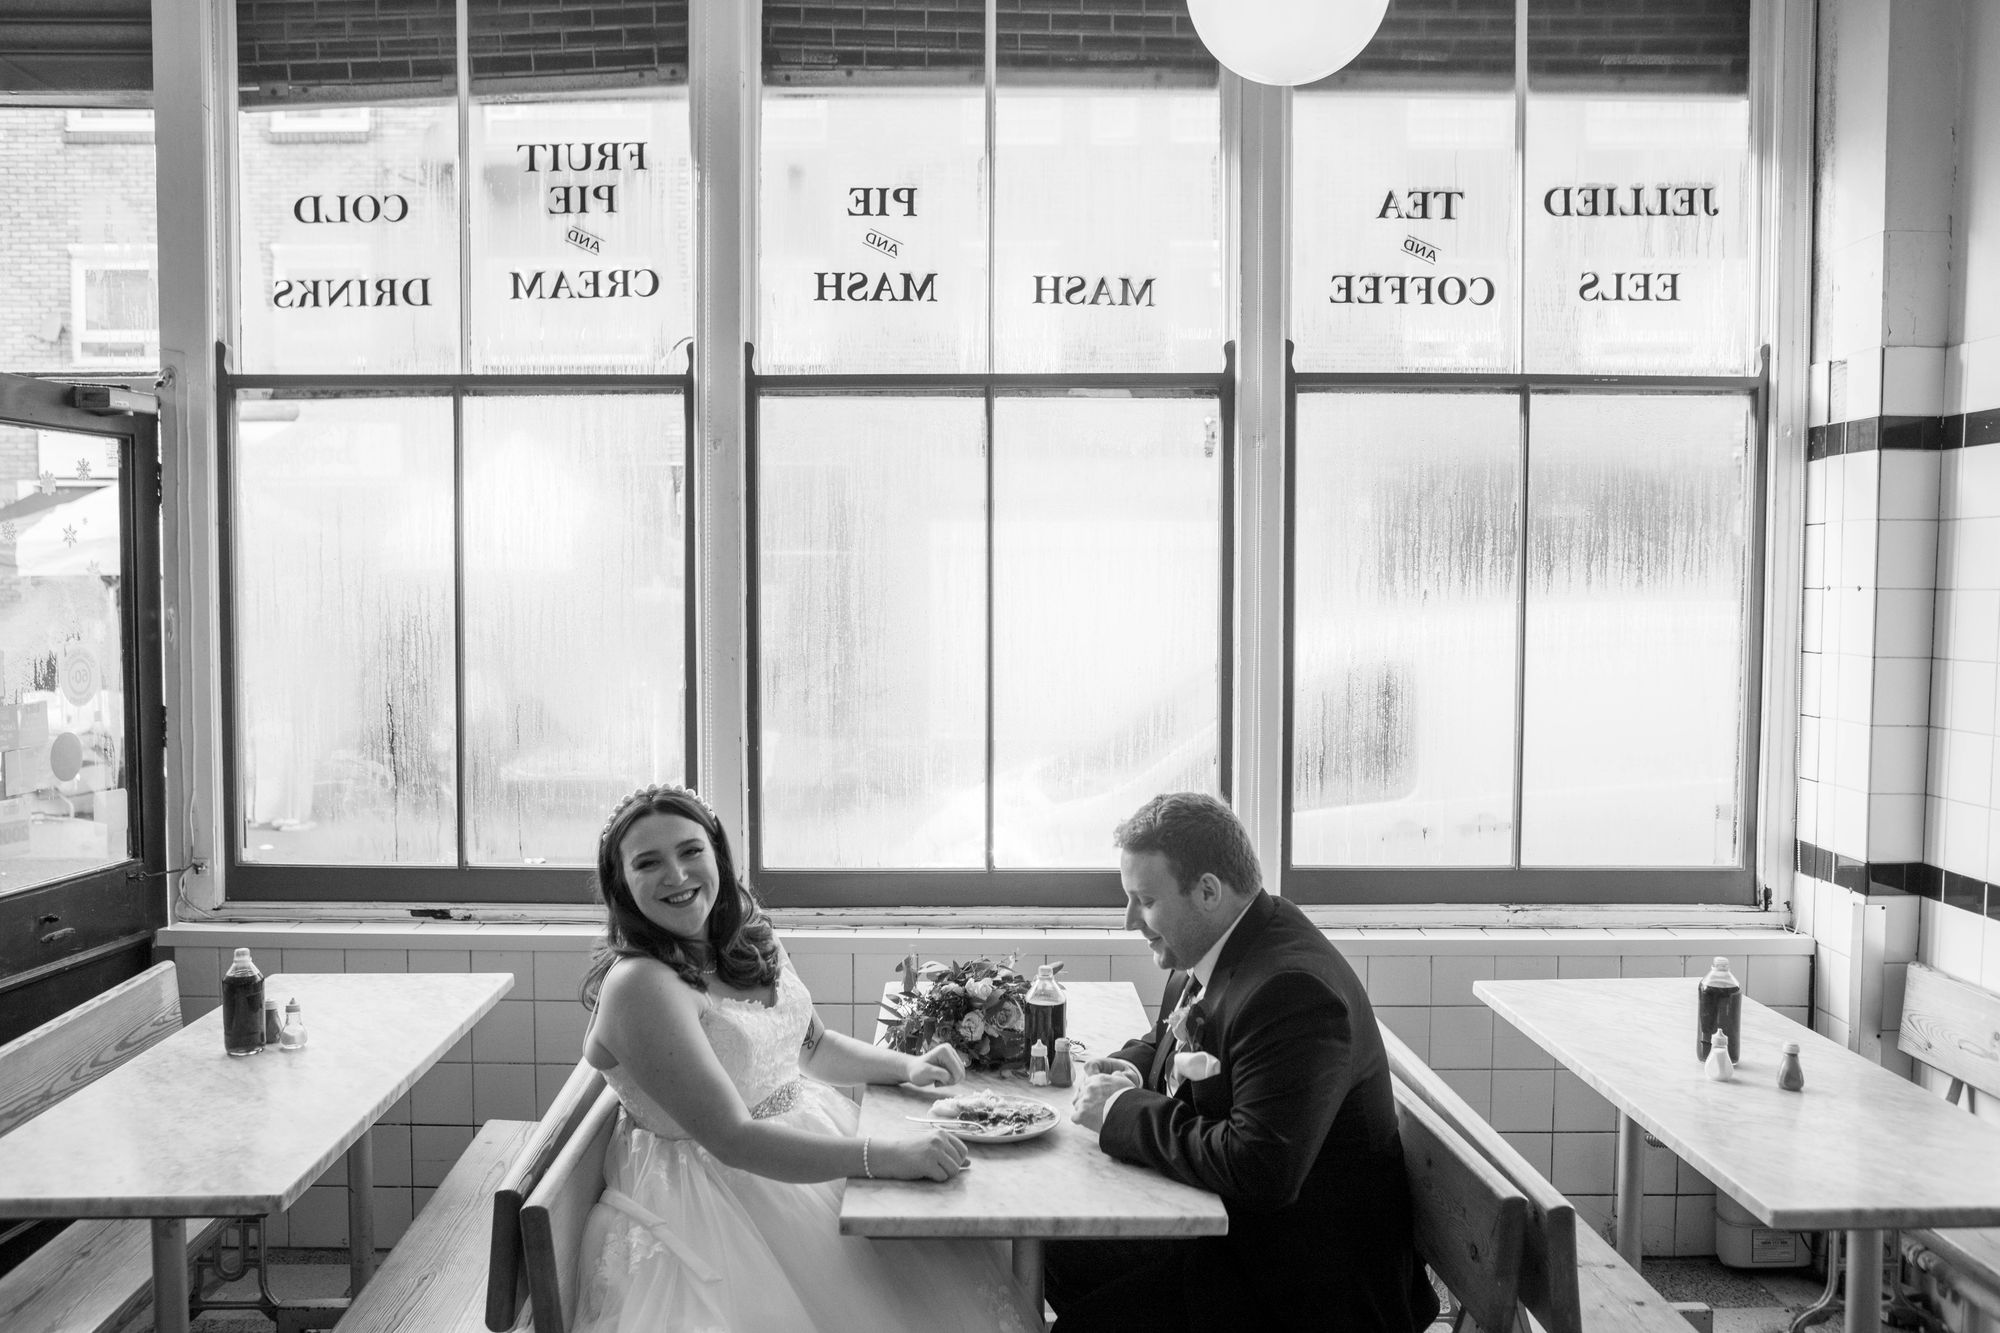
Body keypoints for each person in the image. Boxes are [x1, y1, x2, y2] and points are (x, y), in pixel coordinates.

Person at [570, 783, 1041, 1333]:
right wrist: (885, 1156)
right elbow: (733, 1140)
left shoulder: (745, 940)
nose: (676, 875)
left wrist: (908, 1066)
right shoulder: (641, 986)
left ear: (717, 854)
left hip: (798, 1144)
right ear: (621, 885)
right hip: (717, 1195)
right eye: (648, 863)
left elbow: (813, 1048)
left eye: (690, 851)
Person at [1048, 791, 1439, 1333]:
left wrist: (1120, 1111)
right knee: (1055, 1248)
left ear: (1208, 891)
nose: (1129, 919)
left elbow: (1260, 1168)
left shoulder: (1292, 990)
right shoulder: (1230, 938)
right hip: (1243, 1241)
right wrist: (1127, 1072)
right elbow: (1166, 1041)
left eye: (1145, 900)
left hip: (1301, 1290)